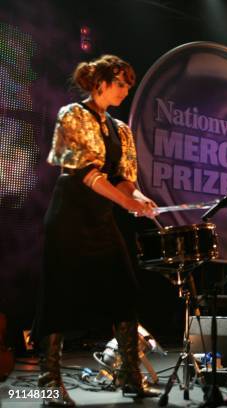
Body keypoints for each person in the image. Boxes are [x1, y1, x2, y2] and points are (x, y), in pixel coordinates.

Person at [32, 55, 159, 405]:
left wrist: (140, 198)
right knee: (57, 295)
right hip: (70, 215)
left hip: (101, 218)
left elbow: (124, 180)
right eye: (121, 82)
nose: (126, 89)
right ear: (99, 83)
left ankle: (130, 375)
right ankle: (49, 383)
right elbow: (86, 173)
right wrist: (126, 203)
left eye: (129, 84)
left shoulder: (121, 130)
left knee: (125, 290)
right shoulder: (71, 114)